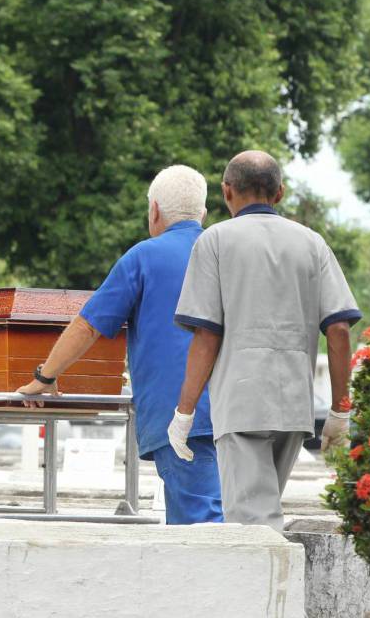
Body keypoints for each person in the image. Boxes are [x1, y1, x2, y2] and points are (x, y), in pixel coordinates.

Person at [16, 165, 224, 524]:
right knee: (239, 519)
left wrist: (44, 377)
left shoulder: (143, 257)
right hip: (236, 412)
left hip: (179, 415)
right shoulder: (226, 253)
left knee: (201, 527)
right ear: (202, 214)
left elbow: (88, 325)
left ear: (154, 211)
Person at [168, 150, 359, 531]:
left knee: (253, 527)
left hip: (241, 405)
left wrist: (184, 412)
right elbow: (339, 329)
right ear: (280, 193)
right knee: (261, 511)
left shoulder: (215, 241)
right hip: (294, 406)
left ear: (226, 191)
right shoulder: (312, 243)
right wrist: (340, 411)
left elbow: (207, 335)